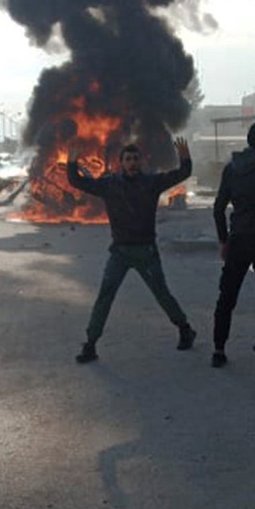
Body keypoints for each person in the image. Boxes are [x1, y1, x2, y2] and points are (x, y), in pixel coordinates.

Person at [67, 137, 196, 363]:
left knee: (161, 293)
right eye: (128, 159)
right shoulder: (109, 185)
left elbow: (182, 173)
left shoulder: (152, 183)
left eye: (135, 159)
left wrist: (185, 156)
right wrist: (72, 161)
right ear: (121, 162)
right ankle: (90, 344)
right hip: (120, 252)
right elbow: (76, 181)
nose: (132, 162)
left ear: (141, 162)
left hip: (146, 251)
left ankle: (185, 328)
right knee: (105, 296)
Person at [211, 121, 255, 369]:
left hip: (238, 238)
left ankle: (218, 350)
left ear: (248, 140)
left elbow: (218, 207)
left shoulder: (232, 168)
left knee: (227, 296)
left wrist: (223, 239)